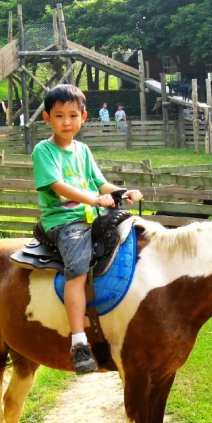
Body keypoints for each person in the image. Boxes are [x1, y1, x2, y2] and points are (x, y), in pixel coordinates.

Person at [31, 85, 143, 374]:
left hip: (91, 216)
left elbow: (99, 182)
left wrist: (123, 190)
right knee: (78, 268)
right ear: (47, 118)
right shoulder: (44, 150)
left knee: (134, 238)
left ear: (83, 117)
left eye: (72, 115)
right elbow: (58, 186)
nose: (66, 122)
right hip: (64, 221)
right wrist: (94, 199)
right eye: (59, 116)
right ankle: (79, 340)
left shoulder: (83, 150)